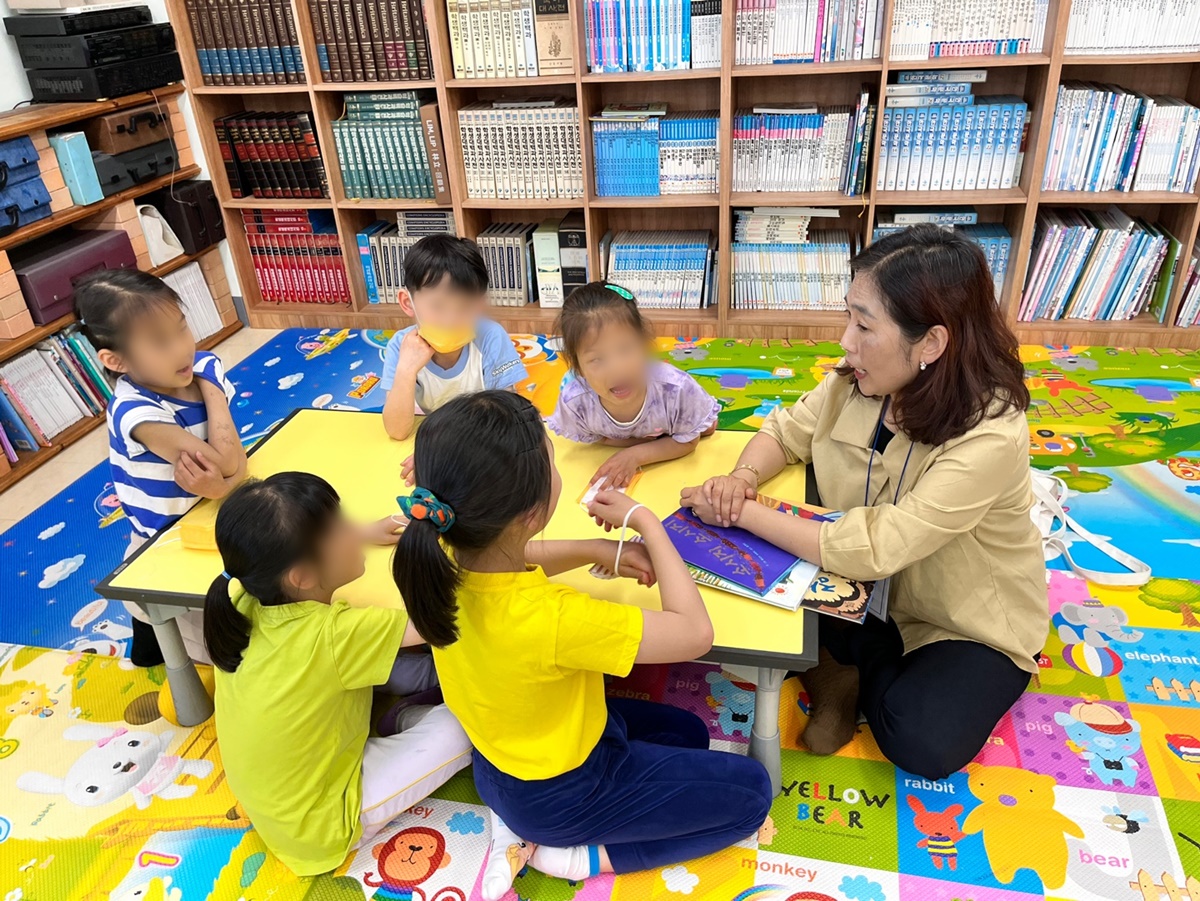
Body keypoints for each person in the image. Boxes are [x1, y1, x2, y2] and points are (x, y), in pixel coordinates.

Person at [682, 225, 1046, 780]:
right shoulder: (858, 379)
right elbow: (785, 432)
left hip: (954, 618)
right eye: (849, 317)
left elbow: (880, 546)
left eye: (865, 325)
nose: (846, 340)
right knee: (726, 597)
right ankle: (838, 662)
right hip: (854, 584)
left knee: (923, 740)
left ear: (931, 344)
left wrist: (744, 512)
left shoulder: (991, 434)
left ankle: (841, 665)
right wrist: (741, 478)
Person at [393, 390, 771, 900]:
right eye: (553, 461)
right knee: (752, 794)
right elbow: (694, 634)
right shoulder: (557, 617)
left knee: (687, 733)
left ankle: (523, 826)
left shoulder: (438, 555)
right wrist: (646, 523)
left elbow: (516, 556)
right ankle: (579, 857)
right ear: (533, 511)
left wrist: (599, 549)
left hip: (505, 763)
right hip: (563, 794)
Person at [205, 472, 472, 877]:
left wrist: (363, 532)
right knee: (464, 727)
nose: (353, 527)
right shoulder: (335, 635)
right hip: (323, 823)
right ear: (302, 576)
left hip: (283, 797)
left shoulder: (246, 593)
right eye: (340, 526)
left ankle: (405, 711)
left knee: (385, 662)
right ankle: (408, 716)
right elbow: (444, 621)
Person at [76, 269, 246, 668]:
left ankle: (152, 634)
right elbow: (227, 461)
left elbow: (230, 465)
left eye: (181, 328)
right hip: (166, 541)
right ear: (116, 360)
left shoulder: (203, 368)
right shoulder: (136, 411)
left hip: (214, 512)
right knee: (227, 647)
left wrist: (225, 486)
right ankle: (152, 631)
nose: (183, 350)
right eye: (160, 342)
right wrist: (214, 391)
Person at [547, 282, 718, 488]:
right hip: (646, 434)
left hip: (675, 435)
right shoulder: (576, 402)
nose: (617, 369)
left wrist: (634, 456)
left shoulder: (676, 389)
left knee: (706, 427)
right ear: (578, 367)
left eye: (625, 349)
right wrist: (645, 442)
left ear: (644, 343)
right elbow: (597, 437)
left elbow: (689, 441)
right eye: (597, 359)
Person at [380, 234, 527, 440]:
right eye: (437, 306)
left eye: (465, 307)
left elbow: (508, 417)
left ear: (480, 303)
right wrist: (406, 370)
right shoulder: (401, 346)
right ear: (407, 302)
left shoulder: (490, 337)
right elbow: (397, 431)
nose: (450, 320)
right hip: (437, 438)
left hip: (483, 438)